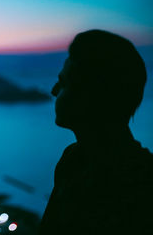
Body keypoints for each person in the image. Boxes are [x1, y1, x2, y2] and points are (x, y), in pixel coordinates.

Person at [39, 30, 153, 234]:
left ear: (92, 96)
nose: (54, 91)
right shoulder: (73, 159)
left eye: (64, 83)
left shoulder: (140, 182)